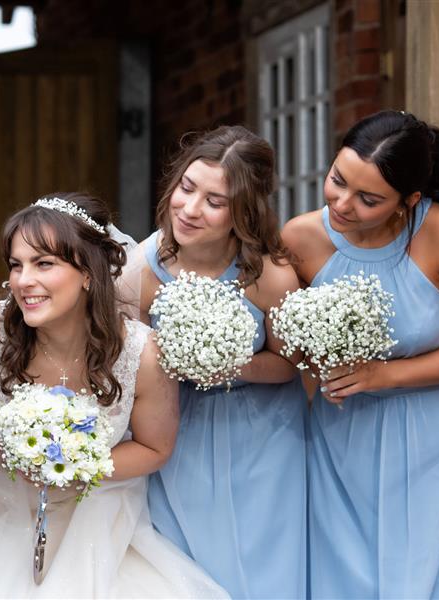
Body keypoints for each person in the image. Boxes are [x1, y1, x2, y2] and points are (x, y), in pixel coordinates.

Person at [0, 193, 228, 598]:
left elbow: (155, 447)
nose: (23, 280)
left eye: (44, 263)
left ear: (87, 272)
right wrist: (6, 451)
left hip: (90, 516)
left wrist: (75, 465)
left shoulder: (142, 354)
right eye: (16, 264)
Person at [282, 110, 439, 598]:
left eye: (368, 199)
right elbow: (286, 343)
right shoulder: (301, 239)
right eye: (337, 181)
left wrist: (384, 375)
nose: (342, 204)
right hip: (342, 439)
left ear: (409, 200)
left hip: (437, 441)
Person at [120, 126, 307, 598]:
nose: (190, 208)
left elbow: (289, 365)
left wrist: (231, 364)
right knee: (183, 562)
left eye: (215, 201)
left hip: (262, 435)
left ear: (242, 212)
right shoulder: (143, 265)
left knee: (260, 562)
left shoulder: (269, 276)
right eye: (187, 188)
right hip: (178, 429)